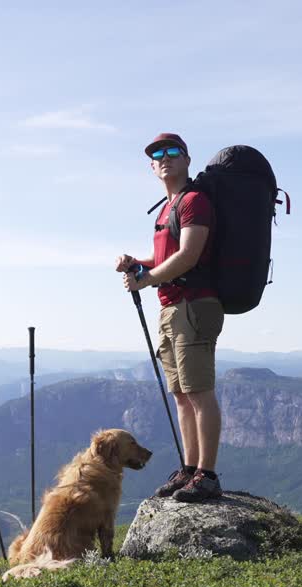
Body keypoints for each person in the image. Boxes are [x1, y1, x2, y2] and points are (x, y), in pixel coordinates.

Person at [116, 133, 224, 502]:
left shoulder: (194, 201)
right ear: (151, 167)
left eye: (172, 152)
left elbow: (189, 255)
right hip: (172, 306)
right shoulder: (167, 208)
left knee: (198, 392)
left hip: (194, 305)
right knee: (181, 394)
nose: (164, 158)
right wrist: (138, 264)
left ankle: (207, 474)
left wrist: (146, 279)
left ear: (187, 159)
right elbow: (164, 259)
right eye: (157, 155)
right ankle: (190, 470)